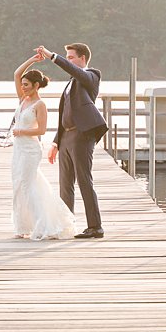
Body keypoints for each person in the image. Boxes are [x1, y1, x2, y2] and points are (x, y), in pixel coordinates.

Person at [37, 42, 108, 239]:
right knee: (65, 184)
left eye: (71, 57)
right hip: (66, 136)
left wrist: (53, 56)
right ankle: (65, 225)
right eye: (67, 57)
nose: (68, 60)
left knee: (84, 180)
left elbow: (75, 71)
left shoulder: (92, 76)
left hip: (82, 135)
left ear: (82, 59)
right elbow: (65, 114)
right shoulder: (70, 83)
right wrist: (56, 142)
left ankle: (95, 227)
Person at [9, 52, 77, 240]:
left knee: (27, 185)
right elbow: (16, 74)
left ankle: (43, 225)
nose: (22, 87)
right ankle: (22, 226)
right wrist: (32, 60)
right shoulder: (23, 99)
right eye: (22, 85)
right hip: (18, 149)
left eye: (26, 85)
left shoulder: (40, 105)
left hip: (31, 149)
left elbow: (41, 130)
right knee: (19, 185)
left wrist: (21, 131)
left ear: (36, 86)